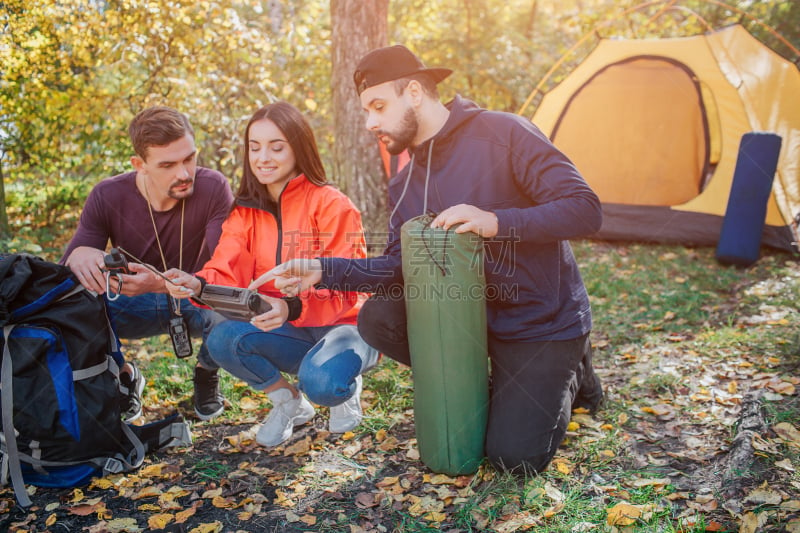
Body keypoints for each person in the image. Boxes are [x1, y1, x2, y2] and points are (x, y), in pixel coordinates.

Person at [254, 45, 605, 474]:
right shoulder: (404, 183)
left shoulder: (505, 133)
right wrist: (324, 270)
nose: (370, 123)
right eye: (366, 110)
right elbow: (400, 268)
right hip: (468, 324)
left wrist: (493, 221)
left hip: (540, 322)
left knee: (513, 460)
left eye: (379, 106)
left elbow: (585, 208)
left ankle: (573, 372)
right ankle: (500, 388)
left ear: (416, 92)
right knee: (379, 317)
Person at [164, 101, 378, 448]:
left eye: (276, 147)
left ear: (299, 147)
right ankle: (289, 402)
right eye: (255, 146)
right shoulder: (245, 213)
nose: (263, 157)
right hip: (289, 328)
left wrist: (293, 306)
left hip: (344, 326)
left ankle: (343, 383)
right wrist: (197, 283)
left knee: (323, 382)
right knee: (221, 340)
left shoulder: (333, 206)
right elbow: (226, 264)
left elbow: (347, 286)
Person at [61, 106, 234, 422]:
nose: (183, 173)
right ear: (139, 165)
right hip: (132, 302)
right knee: (78, 304)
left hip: (196, 300)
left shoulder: (213, 187)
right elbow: (64, 280)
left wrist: (160, 282)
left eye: (189, 159)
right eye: (167, 165)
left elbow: (227, 269)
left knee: (231, 303)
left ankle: (206, 374)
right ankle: (123, 375)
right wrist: (78, 256)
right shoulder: (107, 195)